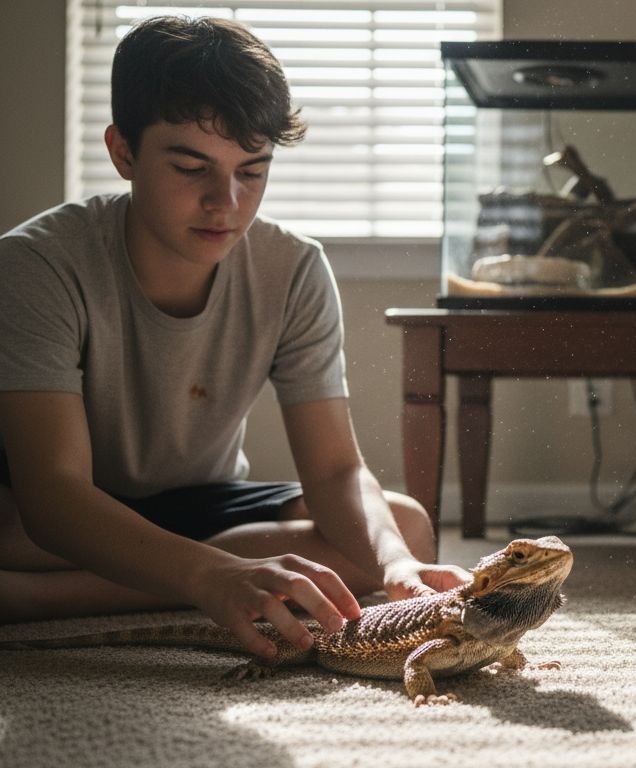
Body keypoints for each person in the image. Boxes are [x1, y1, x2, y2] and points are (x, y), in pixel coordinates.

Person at [0, 15, 468, 659]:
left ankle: (39, 599)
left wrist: (394, 567)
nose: (226, 202)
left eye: (252, 170)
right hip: (53, 513)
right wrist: (213, 574)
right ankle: (192, 575)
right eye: (192, 167)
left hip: (200, 503)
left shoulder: (294, 266)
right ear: (123, 152)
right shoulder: (36, 264)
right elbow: (53, 498)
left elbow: (334, 468)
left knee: (405, 528)